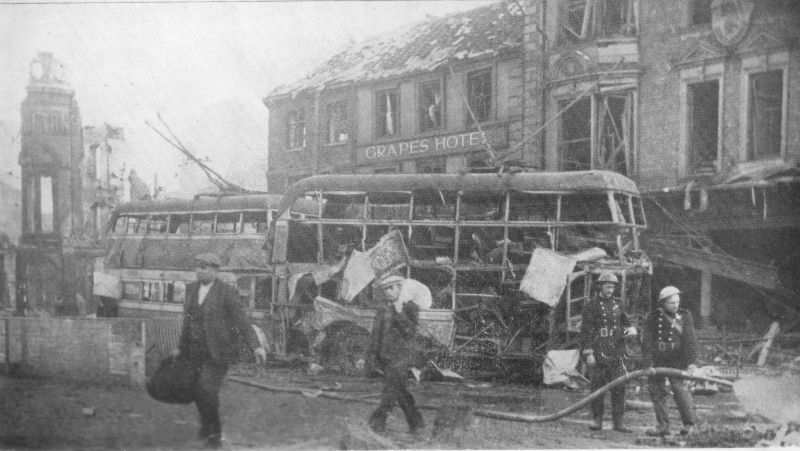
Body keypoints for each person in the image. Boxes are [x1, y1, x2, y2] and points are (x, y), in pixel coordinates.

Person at [174, 253, 266, 449]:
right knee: (199, 391)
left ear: (215, 270)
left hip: (219, 351)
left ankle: (214, 434)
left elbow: (241, 320)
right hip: (195, 350)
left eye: (205, 267)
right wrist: (180, 349)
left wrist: (256, 346)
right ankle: (208, 427)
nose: (199, 270)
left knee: (206, 389)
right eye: (198, 266)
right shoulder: (190, 290)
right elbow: (187, 323)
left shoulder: (226, 292)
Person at [363, 274, 428, 433]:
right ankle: (416, 421)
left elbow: (410, 331)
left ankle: (377, 423)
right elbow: (375, 334)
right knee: (399, 391)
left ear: (400, 287)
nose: (388, 292)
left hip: (402, 357)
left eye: (392, 288)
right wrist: (369, 355)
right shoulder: (383, 308)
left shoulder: (409, 307)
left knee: (390, 391)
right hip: (385, 357)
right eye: (385, 289)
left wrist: (400, 312)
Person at [580, 272, 638, 433]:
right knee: (598, 387)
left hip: (617, 352)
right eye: (607, 286)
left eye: (612, 287)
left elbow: (626, 322)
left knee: (619, 388)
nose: (610, 290)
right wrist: (589, 353)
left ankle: (618, 422)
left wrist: (631, 328)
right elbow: (586, 332)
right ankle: (596, 420)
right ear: (600, 287)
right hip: (599, 351)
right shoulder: (591, 306)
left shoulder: (618, 305)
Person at [642, 285, 699, 437]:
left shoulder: (685, 316)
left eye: (677, 302)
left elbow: (690, 340)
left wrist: (691, 362)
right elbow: (647, 341)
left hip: (677, 360)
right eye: (671, 303)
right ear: (662, 303)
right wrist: (647, 364)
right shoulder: (653, 317)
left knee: (680, 390)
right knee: (656, 391)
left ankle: (689, 425)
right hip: (658, 361)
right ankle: (663, 426)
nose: (675, 305)